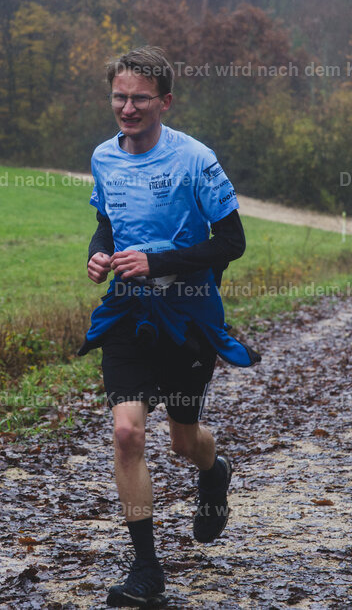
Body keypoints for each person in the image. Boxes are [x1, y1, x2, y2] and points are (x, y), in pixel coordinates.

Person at [79, 46, 260, 608]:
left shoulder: (195, 160)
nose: (127, 108)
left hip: (185, 315)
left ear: (164, 101)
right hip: (130, 311)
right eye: (119, 96)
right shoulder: (104, 157)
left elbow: (232, 242)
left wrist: (158, 262)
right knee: (127, 432)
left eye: (139, 98)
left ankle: (214, 470)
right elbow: (106, 225)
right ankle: (146, 571)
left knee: (184, 440)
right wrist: (98, 255)